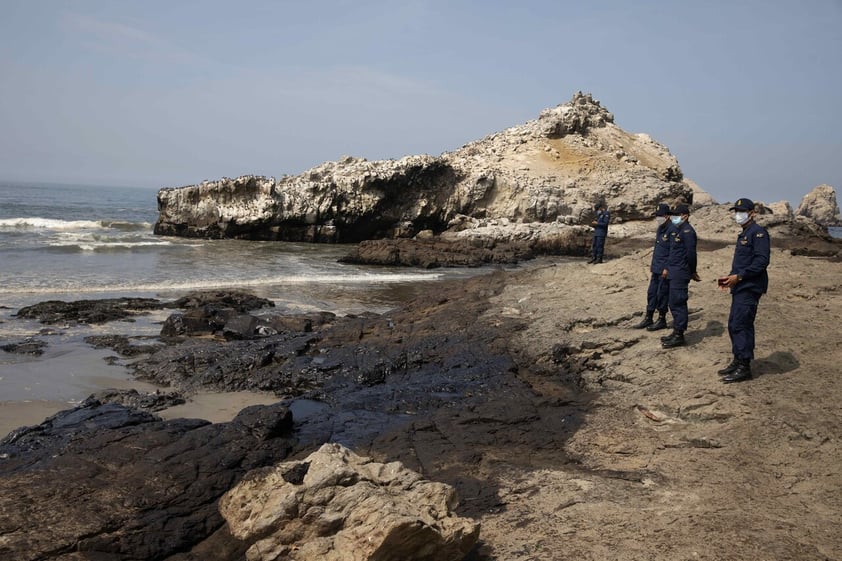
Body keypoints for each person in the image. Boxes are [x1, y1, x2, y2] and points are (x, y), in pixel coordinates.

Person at [717, 198, 770, 383]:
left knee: (742, 324)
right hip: (740, 285)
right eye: (736, 211)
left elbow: (761, 262)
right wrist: (730, 279)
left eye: (741, 211)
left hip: (750, 286)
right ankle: (738, 359)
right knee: (733, 324)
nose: (737, 214)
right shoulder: (745, 233)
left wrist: (739, 277)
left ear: (752, 213)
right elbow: (742, 262)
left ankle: (744, 366)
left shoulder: (758, 233)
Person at [661, 203, 701, 348]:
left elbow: (691, 254)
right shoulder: (678, 230)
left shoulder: (688, 232)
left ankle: (679, 335)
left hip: (681, 272)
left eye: (677, 215)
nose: (674, 218)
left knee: (678, 302)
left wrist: (692, 271)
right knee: (673, 302)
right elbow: (673, 252)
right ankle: (676, 331)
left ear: (685, 216)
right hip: (673, 270)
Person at [633, 203, 672, 330]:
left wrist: (667, 267)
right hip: (656, 267)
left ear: (666, 216)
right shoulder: (660, 229)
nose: (657, 218)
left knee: (662, 294)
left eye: (660, 216)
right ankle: (649, 317)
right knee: (651, 293)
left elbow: (673, 252)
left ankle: (661, 319)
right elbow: (658, 249)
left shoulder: (672, 229)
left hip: (664, 270)